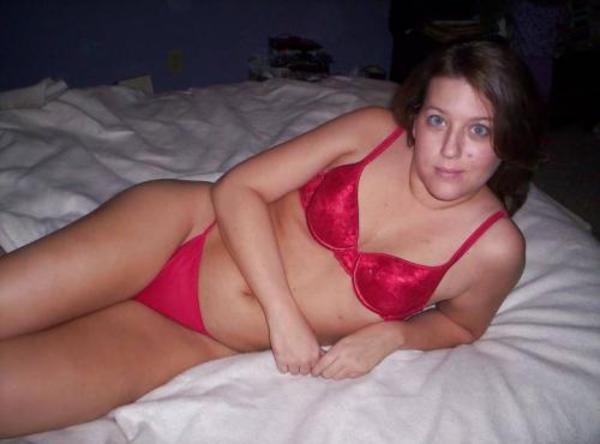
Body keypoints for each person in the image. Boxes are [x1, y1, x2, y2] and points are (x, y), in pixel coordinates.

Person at [0, 39, 542, 437]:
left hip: (192, 339)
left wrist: (392, 336)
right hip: (175, 232)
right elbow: (239, 188)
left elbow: (461, 324)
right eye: (438, 120)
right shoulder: (372, 132)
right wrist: (283, 315)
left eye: (479, 129)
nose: (451, 149)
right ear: (417, 117)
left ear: (508, 138)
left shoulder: (494, 250)